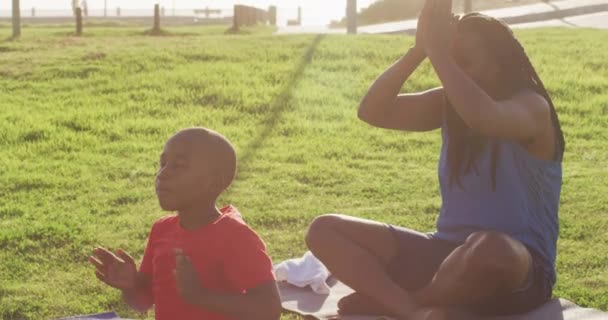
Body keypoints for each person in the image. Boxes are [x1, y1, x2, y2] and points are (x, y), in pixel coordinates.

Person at [305, 0, 565, 319]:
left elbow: (483, 117)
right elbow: (373, 111)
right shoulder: (450, 103)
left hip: (519, 271)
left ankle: (402, 301)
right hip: (445, 254)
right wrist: (419, 51)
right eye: (451, 59)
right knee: (325, 230)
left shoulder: (532, 107)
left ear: (501, 63)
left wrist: (440, 52)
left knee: (490, 248)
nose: (452, 69)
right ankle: (413, 309)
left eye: (465, 61)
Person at [88, 128, 281, 320]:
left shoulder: (236, 236)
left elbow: (269, 309)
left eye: (179, 166)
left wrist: (201, 296)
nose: (162, 174)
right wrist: (131, 285)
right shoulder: (162, 230)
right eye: (163, 164)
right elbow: (144, 301)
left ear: (214, 182)